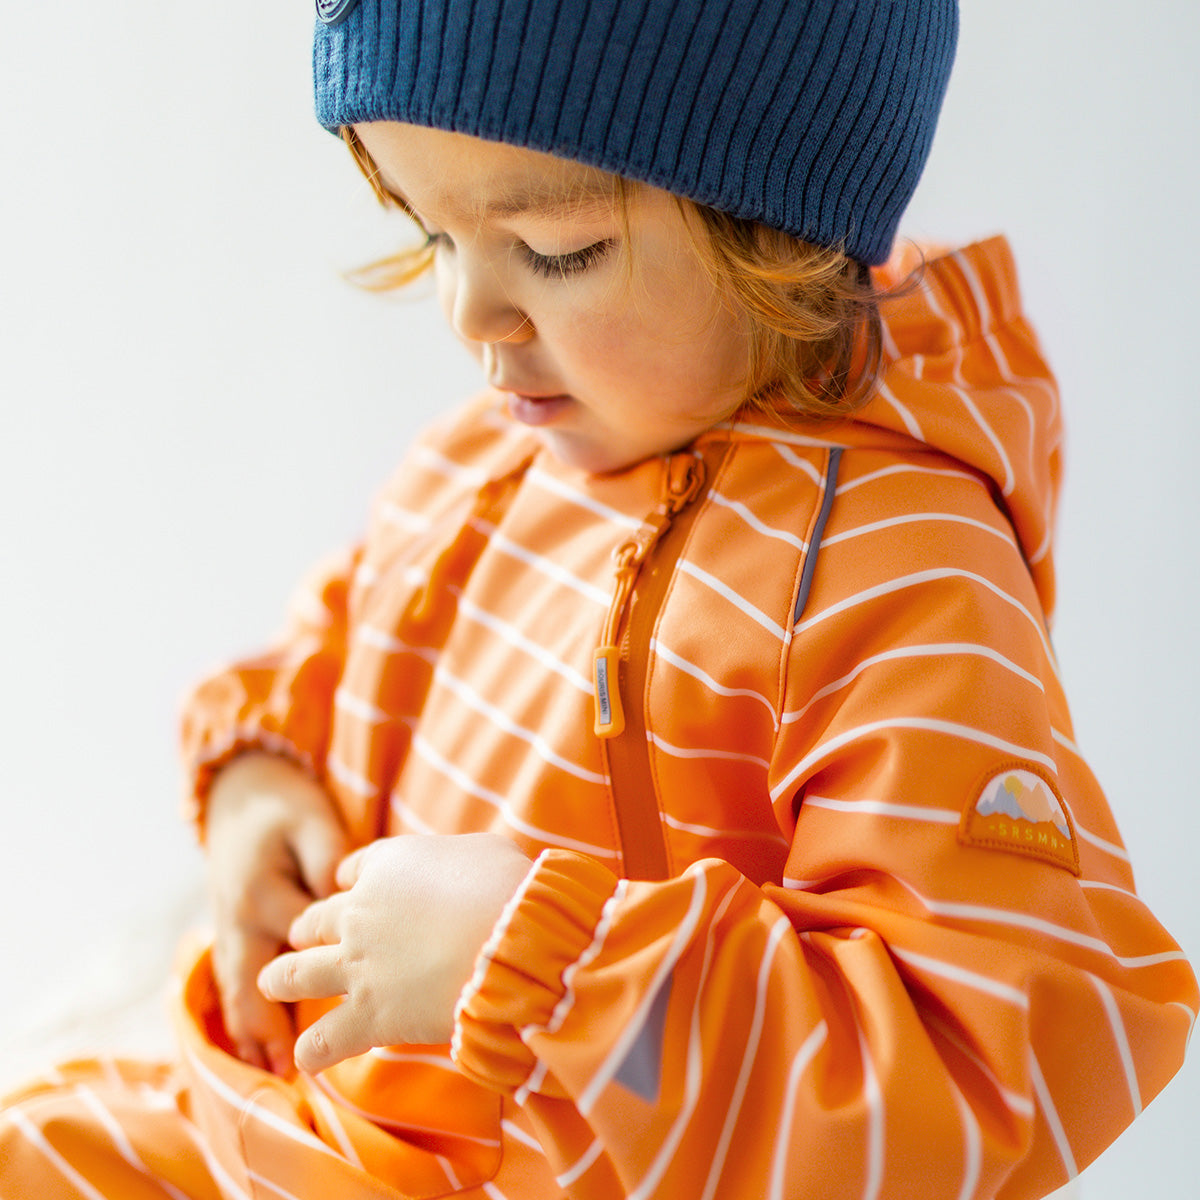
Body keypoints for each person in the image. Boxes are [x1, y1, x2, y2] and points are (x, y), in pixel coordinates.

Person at [2, 0, 1195, 1196]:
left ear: (777, 223)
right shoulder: (499, 457)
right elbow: (343, 641)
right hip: (290, 1124)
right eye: (430, 237)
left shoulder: (899, 578)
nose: (471, 317)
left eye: (558, 252)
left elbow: (974, 1068)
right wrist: (264, 780)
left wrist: (543, 962)